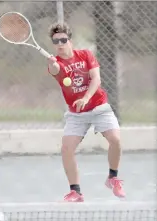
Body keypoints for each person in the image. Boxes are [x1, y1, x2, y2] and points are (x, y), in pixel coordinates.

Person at [47, 22, 125, 202]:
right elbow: (55, 70)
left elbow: (96, 79)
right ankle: (76, 192)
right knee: (66, 148)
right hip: (76, 114)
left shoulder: (85, 55)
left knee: (116, 140)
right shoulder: (55, 63)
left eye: (63, 40)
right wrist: (52, 65)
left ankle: (113, 178)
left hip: (99, 107)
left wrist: (86, 97)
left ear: (70, 40)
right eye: (56, 41)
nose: (60, 44)